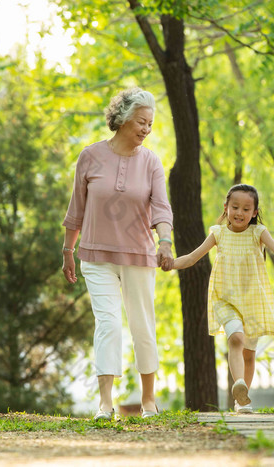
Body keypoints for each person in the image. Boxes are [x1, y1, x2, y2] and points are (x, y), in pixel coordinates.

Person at [61, 87, 174, 421]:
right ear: (123, 118)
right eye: (141, 121)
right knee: (108, 324)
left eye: (150, 124)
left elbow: (161, 208)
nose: (146, 129)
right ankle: (105, 403)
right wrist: (68, 249)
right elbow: (76, 209)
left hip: (139, 254)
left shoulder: (151, 162)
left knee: (142, 325)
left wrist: (165, 242)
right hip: (95, 256)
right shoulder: (90, 156)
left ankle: (149, 400)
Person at [166, 184, 274, 413]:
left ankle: (242, 399)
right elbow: (193, 257)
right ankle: (239, 383)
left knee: (249, 354)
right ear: (226, 208)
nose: (240, 213)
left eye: (246, 209)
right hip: (225, 298)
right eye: (235, 207)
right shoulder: (218, 233)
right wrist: (171, 263)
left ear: (254, 212)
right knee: (236, 339)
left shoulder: (258, 232)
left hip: (253, 300)